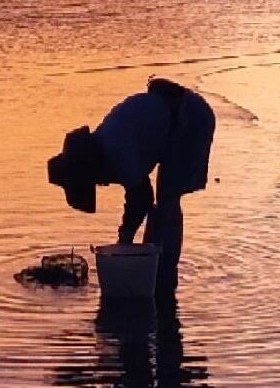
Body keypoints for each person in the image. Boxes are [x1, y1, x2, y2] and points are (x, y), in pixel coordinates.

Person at [47, 77, 216, 292]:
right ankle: (154, 263)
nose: (101, 184)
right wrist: (127, 236)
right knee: (162, 203)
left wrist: (125, 236)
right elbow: (138, 192)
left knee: (168, 201)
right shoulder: (105, 143)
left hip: (191, 121)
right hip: (171, 120)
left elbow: (141, 197)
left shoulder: (118, 149)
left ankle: (165, 275)